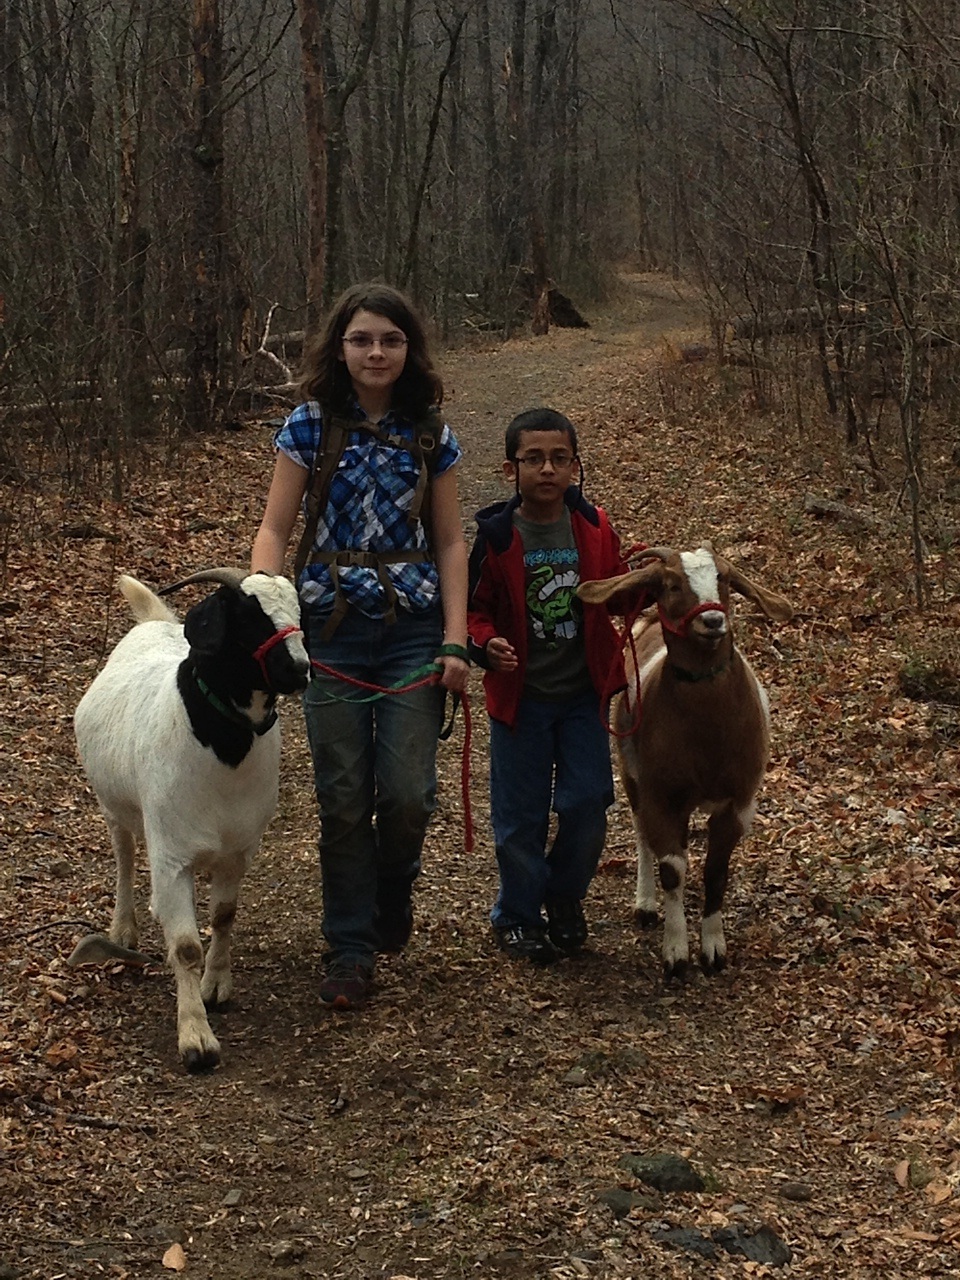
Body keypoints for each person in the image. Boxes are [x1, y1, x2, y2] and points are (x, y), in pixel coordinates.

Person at [251, 282, 470, 1009]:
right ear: (339, 347)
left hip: (411, 630)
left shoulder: (432, 434)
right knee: (342, 798)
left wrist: (456, 640)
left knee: (408, 792)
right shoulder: (307, 428)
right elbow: (275, 530)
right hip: (331, 631)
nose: (376, 353)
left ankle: (392, 889)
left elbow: (448, 540)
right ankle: (348, 946)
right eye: (362, 340)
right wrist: (267, 601)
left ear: (410, 350)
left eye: (390, 340)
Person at [467, 408, 628, 963]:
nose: (547, 469)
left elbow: (617, 591)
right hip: (521, 702)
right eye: (533, 459)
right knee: (520, 816)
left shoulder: (594, 526)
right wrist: (485, 644)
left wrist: (659, 588)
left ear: (576, 466)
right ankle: (517, 915)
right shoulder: (495, 536)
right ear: (510, 470)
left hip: (583, 696)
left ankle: (564, 899)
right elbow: (473, 610)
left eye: (559, 459)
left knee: (589, 803)